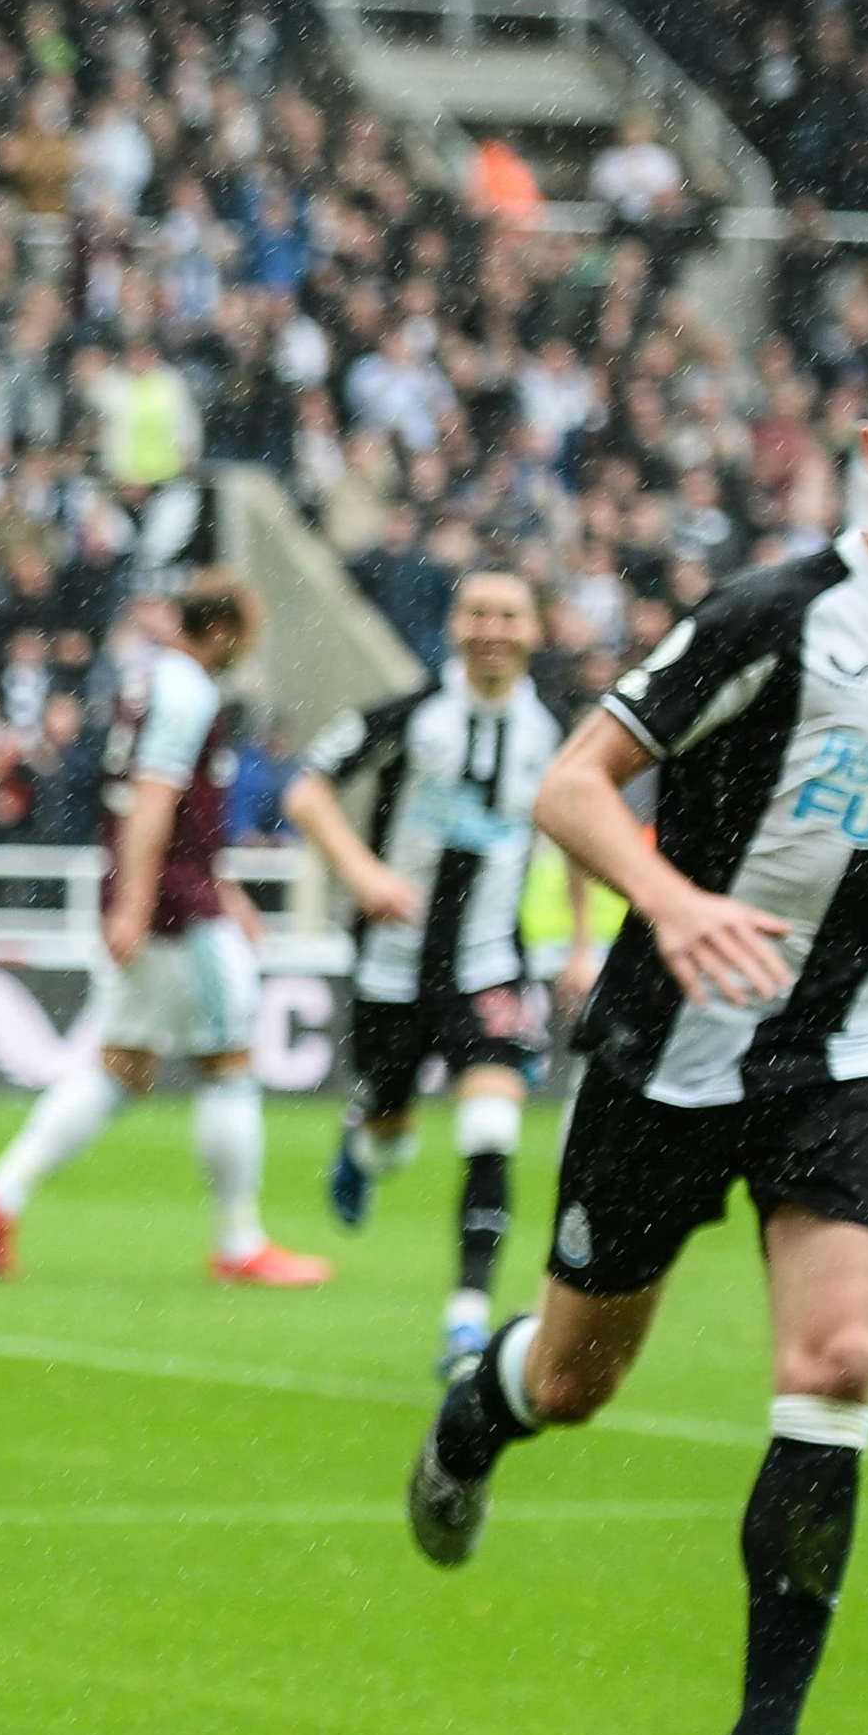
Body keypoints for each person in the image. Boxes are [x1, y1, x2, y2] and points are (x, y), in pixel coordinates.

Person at [407, 337, 868, 1735]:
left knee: (839, 1354)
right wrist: (669, 899)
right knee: (575, 1380)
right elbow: (573, 785)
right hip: (670, 1050)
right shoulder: (777, 613)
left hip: (854, 1058)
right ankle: (475, 1418)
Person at [0, 572, 332, 1288]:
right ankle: (240, 1243)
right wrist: (137, 903)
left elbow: (161, 804)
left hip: (170, 891)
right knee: (230, 1061)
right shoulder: (187, 690)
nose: (248, 649)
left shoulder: (150, 680)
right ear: (219, 631)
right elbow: (153, 802)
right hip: (176, 909)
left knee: (122, 1067)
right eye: (245, 635)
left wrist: (213, 890)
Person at [280, 569, 591, 1372]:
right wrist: (365, 876)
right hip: (394, 967)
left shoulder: (554, 731)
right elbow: (308, 791)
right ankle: (364, 1142)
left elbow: (583, 827)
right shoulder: (413, 714)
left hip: (492, 967)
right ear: (455, 626)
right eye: (479, 613)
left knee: (491, 1131)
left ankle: (465, 1320)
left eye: (510, 615)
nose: (493, 628)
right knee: (390, 1137)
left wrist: (584, 946)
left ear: (534, 630)